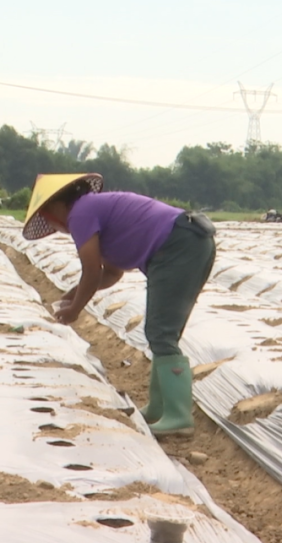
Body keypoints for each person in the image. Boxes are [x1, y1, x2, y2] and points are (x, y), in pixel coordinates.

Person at [22, 173, 216, 436]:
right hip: (189, 240)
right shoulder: (93, 209)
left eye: (47, 216)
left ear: (55, 206)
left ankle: (178, 416)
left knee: (161, 332)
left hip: (179, 245)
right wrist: (73, 294)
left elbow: (91, 273)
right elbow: (111, 274)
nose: (52, 225)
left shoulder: (80, 214)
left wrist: (74, 309)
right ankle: (160, 408)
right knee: (161, 333)